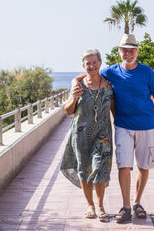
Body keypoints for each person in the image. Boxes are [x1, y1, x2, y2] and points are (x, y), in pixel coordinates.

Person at [73, 34, 154, 223]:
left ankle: (137, 202)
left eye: (132, 49)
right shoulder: (112, 71)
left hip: (147, 125)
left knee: (144, 166)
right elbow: (90, 74)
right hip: (123, 126)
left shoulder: (146, 71)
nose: (128, 53)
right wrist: (73, 82)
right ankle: (126, 206)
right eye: (124, 50)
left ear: (137, 51)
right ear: (119, 52)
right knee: (124, 165)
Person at [60, 48, 115, 221]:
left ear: (100, 63)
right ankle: (90, 204)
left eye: (94, 62)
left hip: (103, 133)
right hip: (81, 134)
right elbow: (68, 111)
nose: (91, 66)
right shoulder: (78, 85)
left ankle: (100, 206)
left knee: (100, 168)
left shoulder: (109, 84)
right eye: (87, 63)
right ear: (83, 65)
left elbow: (114, 108)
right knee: (84, 170)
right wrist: (74, 98)